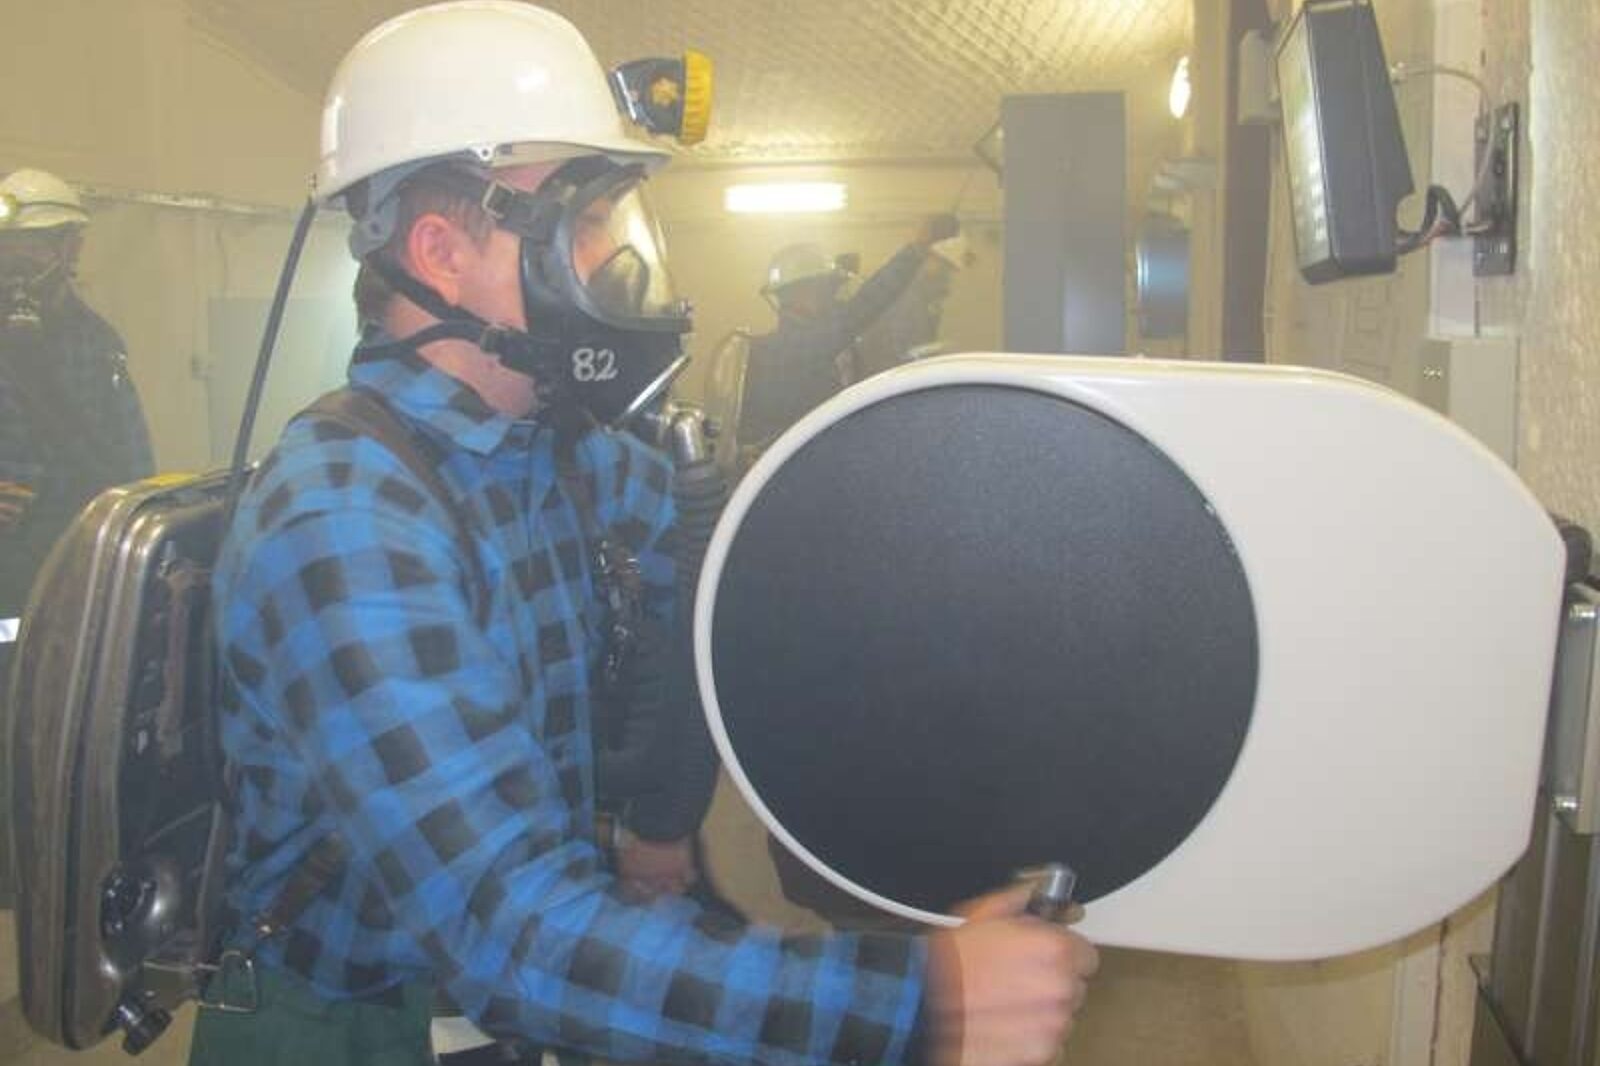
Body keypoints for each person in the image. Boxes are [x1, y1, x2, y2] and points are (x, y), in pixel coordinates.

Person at [190, 5, 1097, 1065]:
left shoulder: (561, 454)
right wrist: (925, 1004)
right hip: (359, 1024)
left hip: (497, 1014)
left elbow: (763, 580)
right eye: (580, 224)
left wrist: (1000, 588)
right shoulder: (344, 522)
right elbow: (509, 932)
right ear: (441, 254)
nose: (612, 259)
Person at [0, 166, 153, 900]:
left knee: (67, 714)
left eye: (35, 245)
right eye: (10, 248)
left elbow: (132, 461)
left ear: (70, 248)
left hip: (71, 566)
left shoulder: (96, 345)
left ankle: (59, 858)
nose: (19, 262)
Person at [737, 216, 957, 454]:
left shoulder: (773, 350)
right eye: (828, 290)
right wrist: (915, 250)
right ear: (804, 293)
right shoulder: (801, 347)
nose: (835, 299)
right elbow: (867, 303)